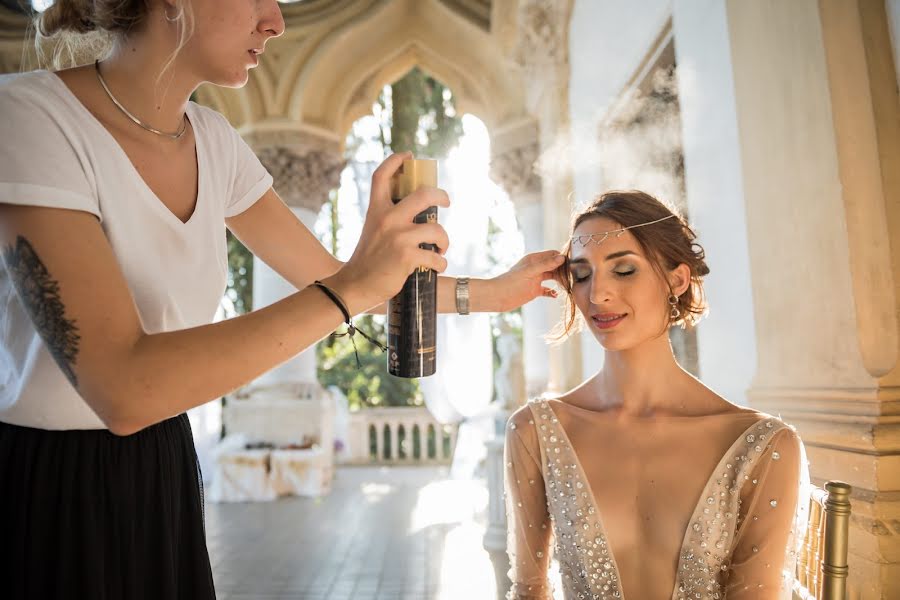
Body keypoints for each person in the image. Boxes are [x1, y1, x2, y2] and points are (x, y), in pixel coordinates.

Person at [0, 1, 565, 598]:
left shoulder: (214, 142)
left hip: (160, 464)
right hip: (48, 486)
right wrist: (350, 288)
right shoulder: (30, 117)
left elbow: (332, 277)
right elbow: (122, 389)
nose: (276, 21)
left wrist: (498, 292)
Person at [504, 191, 808, 599]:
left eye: (624, 270)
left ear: (677, 280)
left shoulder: (763, 446)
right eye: (582, 274)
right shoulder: (535, 431)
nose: (597, 295)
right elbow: (528, 591)